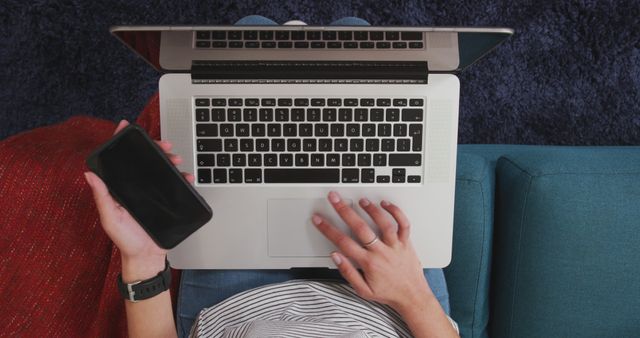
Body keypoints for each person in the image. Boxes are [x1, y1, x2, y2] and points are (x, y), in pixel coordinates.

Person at [84, 16, 459, 338]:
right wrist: (413, 295)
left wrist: (143, 261)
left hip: (236, 304)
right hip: (394, 305)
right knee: (360, 38)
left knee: (249, 36)